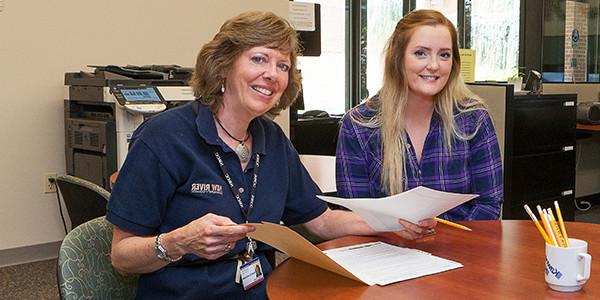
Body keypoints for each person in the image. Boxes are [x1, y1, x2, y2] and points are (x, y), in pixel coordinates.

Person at [107, 11, 435, 299]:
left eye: (283, 66)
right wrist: (179, 242)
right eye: (259, 59)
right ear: (223, 65)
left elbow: (321, 220)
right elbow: (122, 256)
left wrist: (393, 221)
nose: (273, 74)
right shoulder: (164, 137)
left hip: (264, 290)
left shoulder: (272, 139)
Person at [336, 9, 503, 221]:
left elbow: (489, 205)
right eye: (420, 53)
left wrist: (448, 243)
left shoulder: (473, 119)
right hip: (387, 250)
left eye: (444, 55)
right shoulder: (359, 125)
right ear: (398, 58)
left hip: (461, 248)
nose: (434, 65)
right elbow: (355, 216)